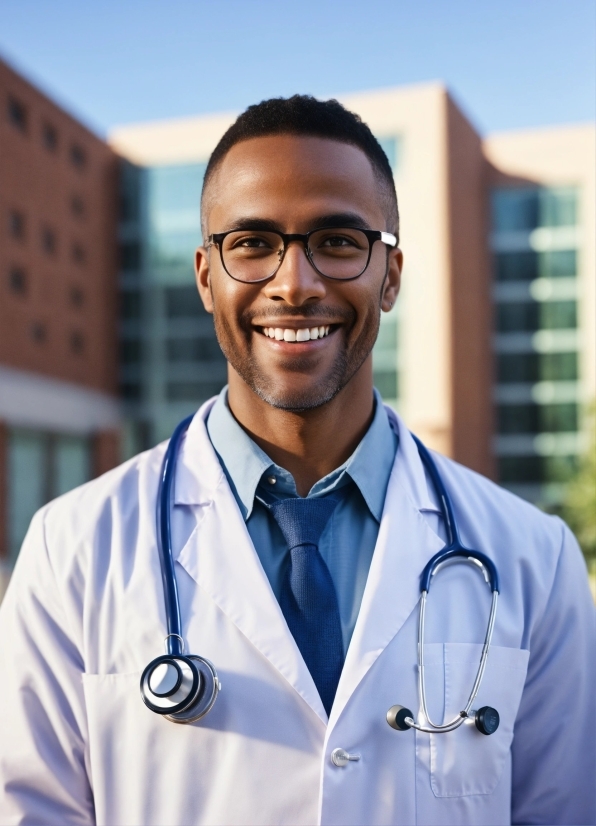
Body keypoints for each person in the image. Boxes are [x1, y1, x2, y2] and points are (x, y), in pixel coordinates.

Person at [0, 95, 594, 826]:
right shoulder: (75, 551)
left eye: (339, 240)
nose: (295, 283)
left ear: (391, 274)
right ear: (204, 275)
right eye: (252, 243)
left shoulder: (532, 558)